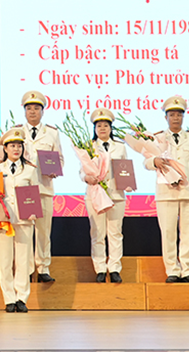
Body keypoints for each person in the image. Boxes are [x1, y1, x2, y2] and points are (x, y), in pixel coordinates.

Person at [146, 95, 189, 283]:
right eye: (172, 115)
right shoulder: (157, 138)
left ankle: (187, 270)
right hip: (166, 193)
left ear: (183, 117)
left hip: (188, 192)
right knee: (168, 233)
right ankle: (172, 270)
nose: (176, 118)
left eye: (179, 115)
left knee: (188, 233)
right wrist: (154, 161)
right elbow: (146, 162)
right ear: (165, 117)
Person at [17, 90, 63, 283]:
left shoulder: (52, 133)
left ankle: (43, 268)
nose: (33, 112)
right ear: (24, 111)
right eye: (29, 108)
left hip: (44, 188)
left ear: (42, 111)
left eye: (36, 108)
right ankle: (27, 269)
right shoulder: (17, 132)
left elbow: (59, 158)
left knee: (43, 231)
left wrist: (55, 170)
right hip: (24, 188)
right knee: (26, 230)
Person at [0, 127, 39, 313]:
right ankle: (9, 299)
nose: (16, 149)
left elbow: (34, 193)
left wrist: (33, 211)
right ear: (5, 148)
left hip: (25, 219)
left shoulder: (30, 169)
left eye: (19, 146)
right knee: (4, 260)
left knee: (23, 260)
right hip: (3, 219)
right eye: (12, 146)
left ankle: (21, 297)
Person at [84, 107, 126, 283]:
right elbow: (82, 170)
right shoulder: (88, 147)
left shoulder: (120, 147)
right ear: (94, 129)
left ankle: (114, 268)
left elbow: (125, 169)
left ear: (110, 128)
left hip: (116, 194)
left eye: (105, 125)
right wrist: (87, 177)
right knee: (98, 232)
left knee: (115, 233)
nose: (102, 128)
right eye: (99, 126)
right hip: (95, 194)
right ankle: (100, 268)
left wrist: (128, 182)